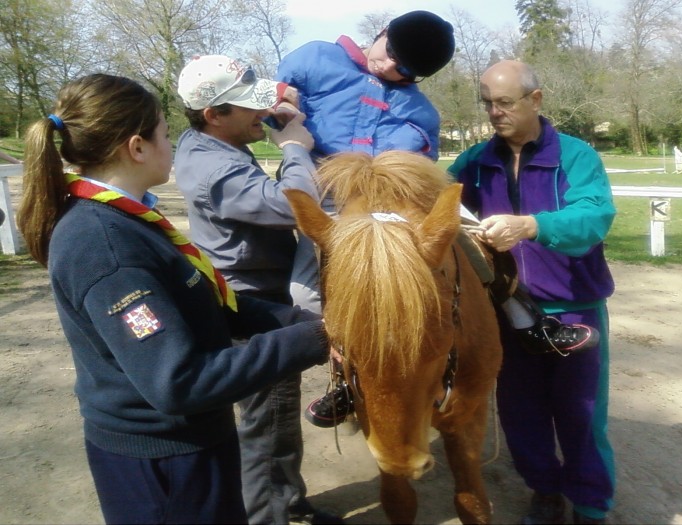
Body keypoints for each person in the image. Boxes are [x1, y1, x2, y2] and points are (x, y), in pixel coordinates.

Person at [15, 73, 332, 524]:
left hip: (194, 441)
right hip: (163, 463)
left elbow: (218, 303)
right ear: (137, 147)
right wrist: (316, 339)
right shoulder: (105, 246)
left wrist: (306, 323)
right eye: (166, 134)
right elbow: (180, 381)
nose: (175, 146)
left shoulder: (131, 216)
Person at [276, 11, 598, 430]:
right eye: (391, 53)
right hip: (333, 201)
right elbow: (277, 102)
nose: (390, 67)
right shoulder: (315, 59)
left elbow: (419, 168)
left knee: (471, 236)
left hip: (394, 202)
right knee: (305, 292)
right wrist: (282, 108)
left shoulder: (421, 112)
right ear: (382, 33)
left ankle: (527, 319)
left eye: (406, 70)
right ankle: (346, 378)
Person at [174, 55, 341, 525]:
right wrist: (293, 148)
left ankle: (288, 504)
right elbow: (294, 207)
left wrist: (277, 119)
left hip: (260, 296)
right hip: (251, 307)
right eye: (248, 107)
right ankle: (269, 517)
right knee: (269, 420)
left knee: (277, 414)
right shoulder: (214, 169)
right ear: (214, 115)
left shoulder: (214, 145)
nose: (260, 114)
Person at [448, 60, 616, 525]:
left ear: (535, 100)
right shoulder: (477, 162)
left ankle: (590, 506)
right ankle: (544, 491)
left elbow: (594, 217)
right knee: (521, 412)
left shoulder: (576, 156)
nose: (494, 113)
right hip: (506, 309)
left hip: (573, 306)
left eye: (504, 102)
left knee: (581, 417)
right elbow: (440, 197)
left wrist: (531, 226)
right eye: (488, 104)